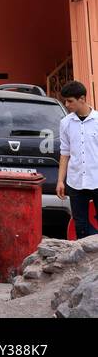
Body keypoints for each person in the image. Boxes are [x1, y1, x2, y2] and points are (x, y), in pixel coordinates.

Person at [57, 80, 98, 240]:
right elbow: (65, 153)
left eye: (70, 101)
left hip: (96, 179)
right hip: (75, 181)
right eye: (65, 101)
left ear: (82, 99)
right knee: (80, 225)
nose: (67, 105)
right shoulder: (65, 123)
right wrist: (61, 181)